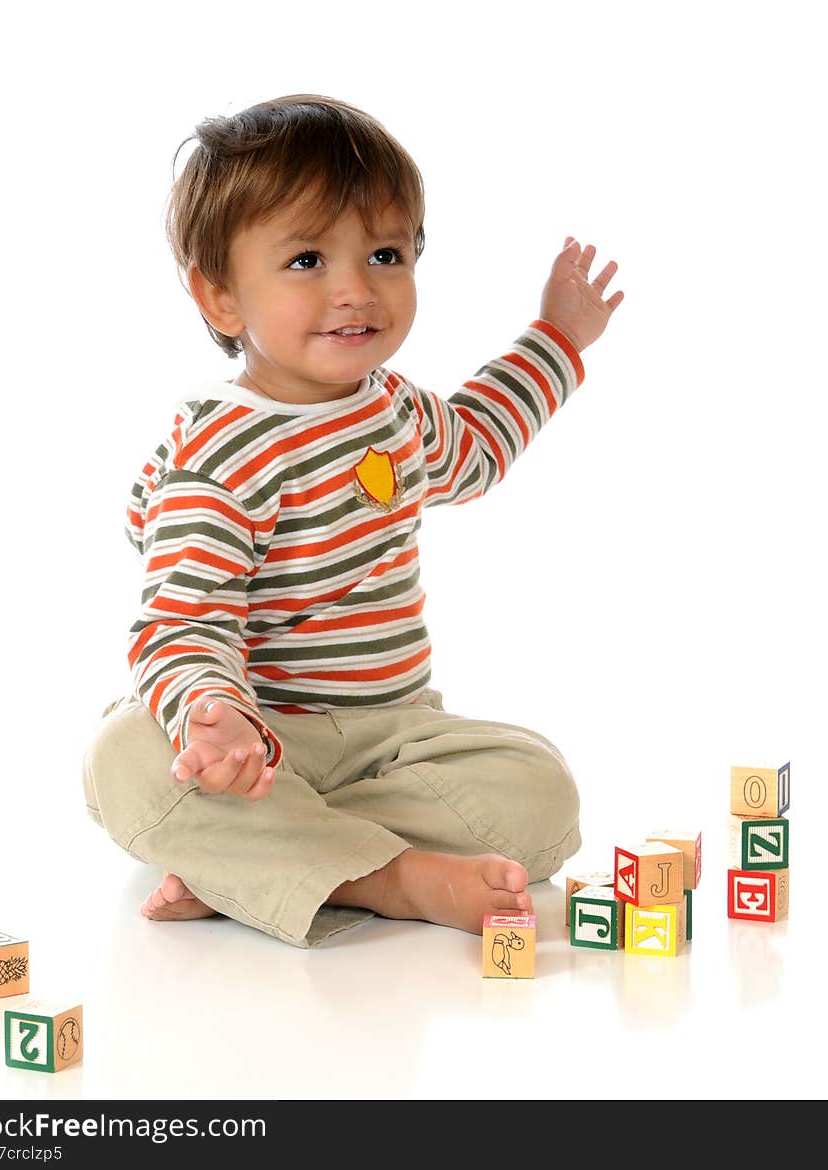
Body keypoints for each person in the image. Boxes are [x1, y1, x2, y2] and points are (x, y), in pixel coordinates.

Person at [82, 93, 624, 948]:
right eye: (306, 259)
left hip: (391, 739)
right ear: (220, 297)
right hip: (259, 741)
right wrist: (214, 715)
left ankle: (258, 868)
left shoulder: (396, 415)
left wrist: (559, 336)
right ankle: (387, 876)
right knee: (124, 762)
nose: (355, 290)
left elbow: (478, 441)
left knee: (542, 789)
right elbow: (181, 621)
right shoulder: (218, 455)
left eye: (384, 253)